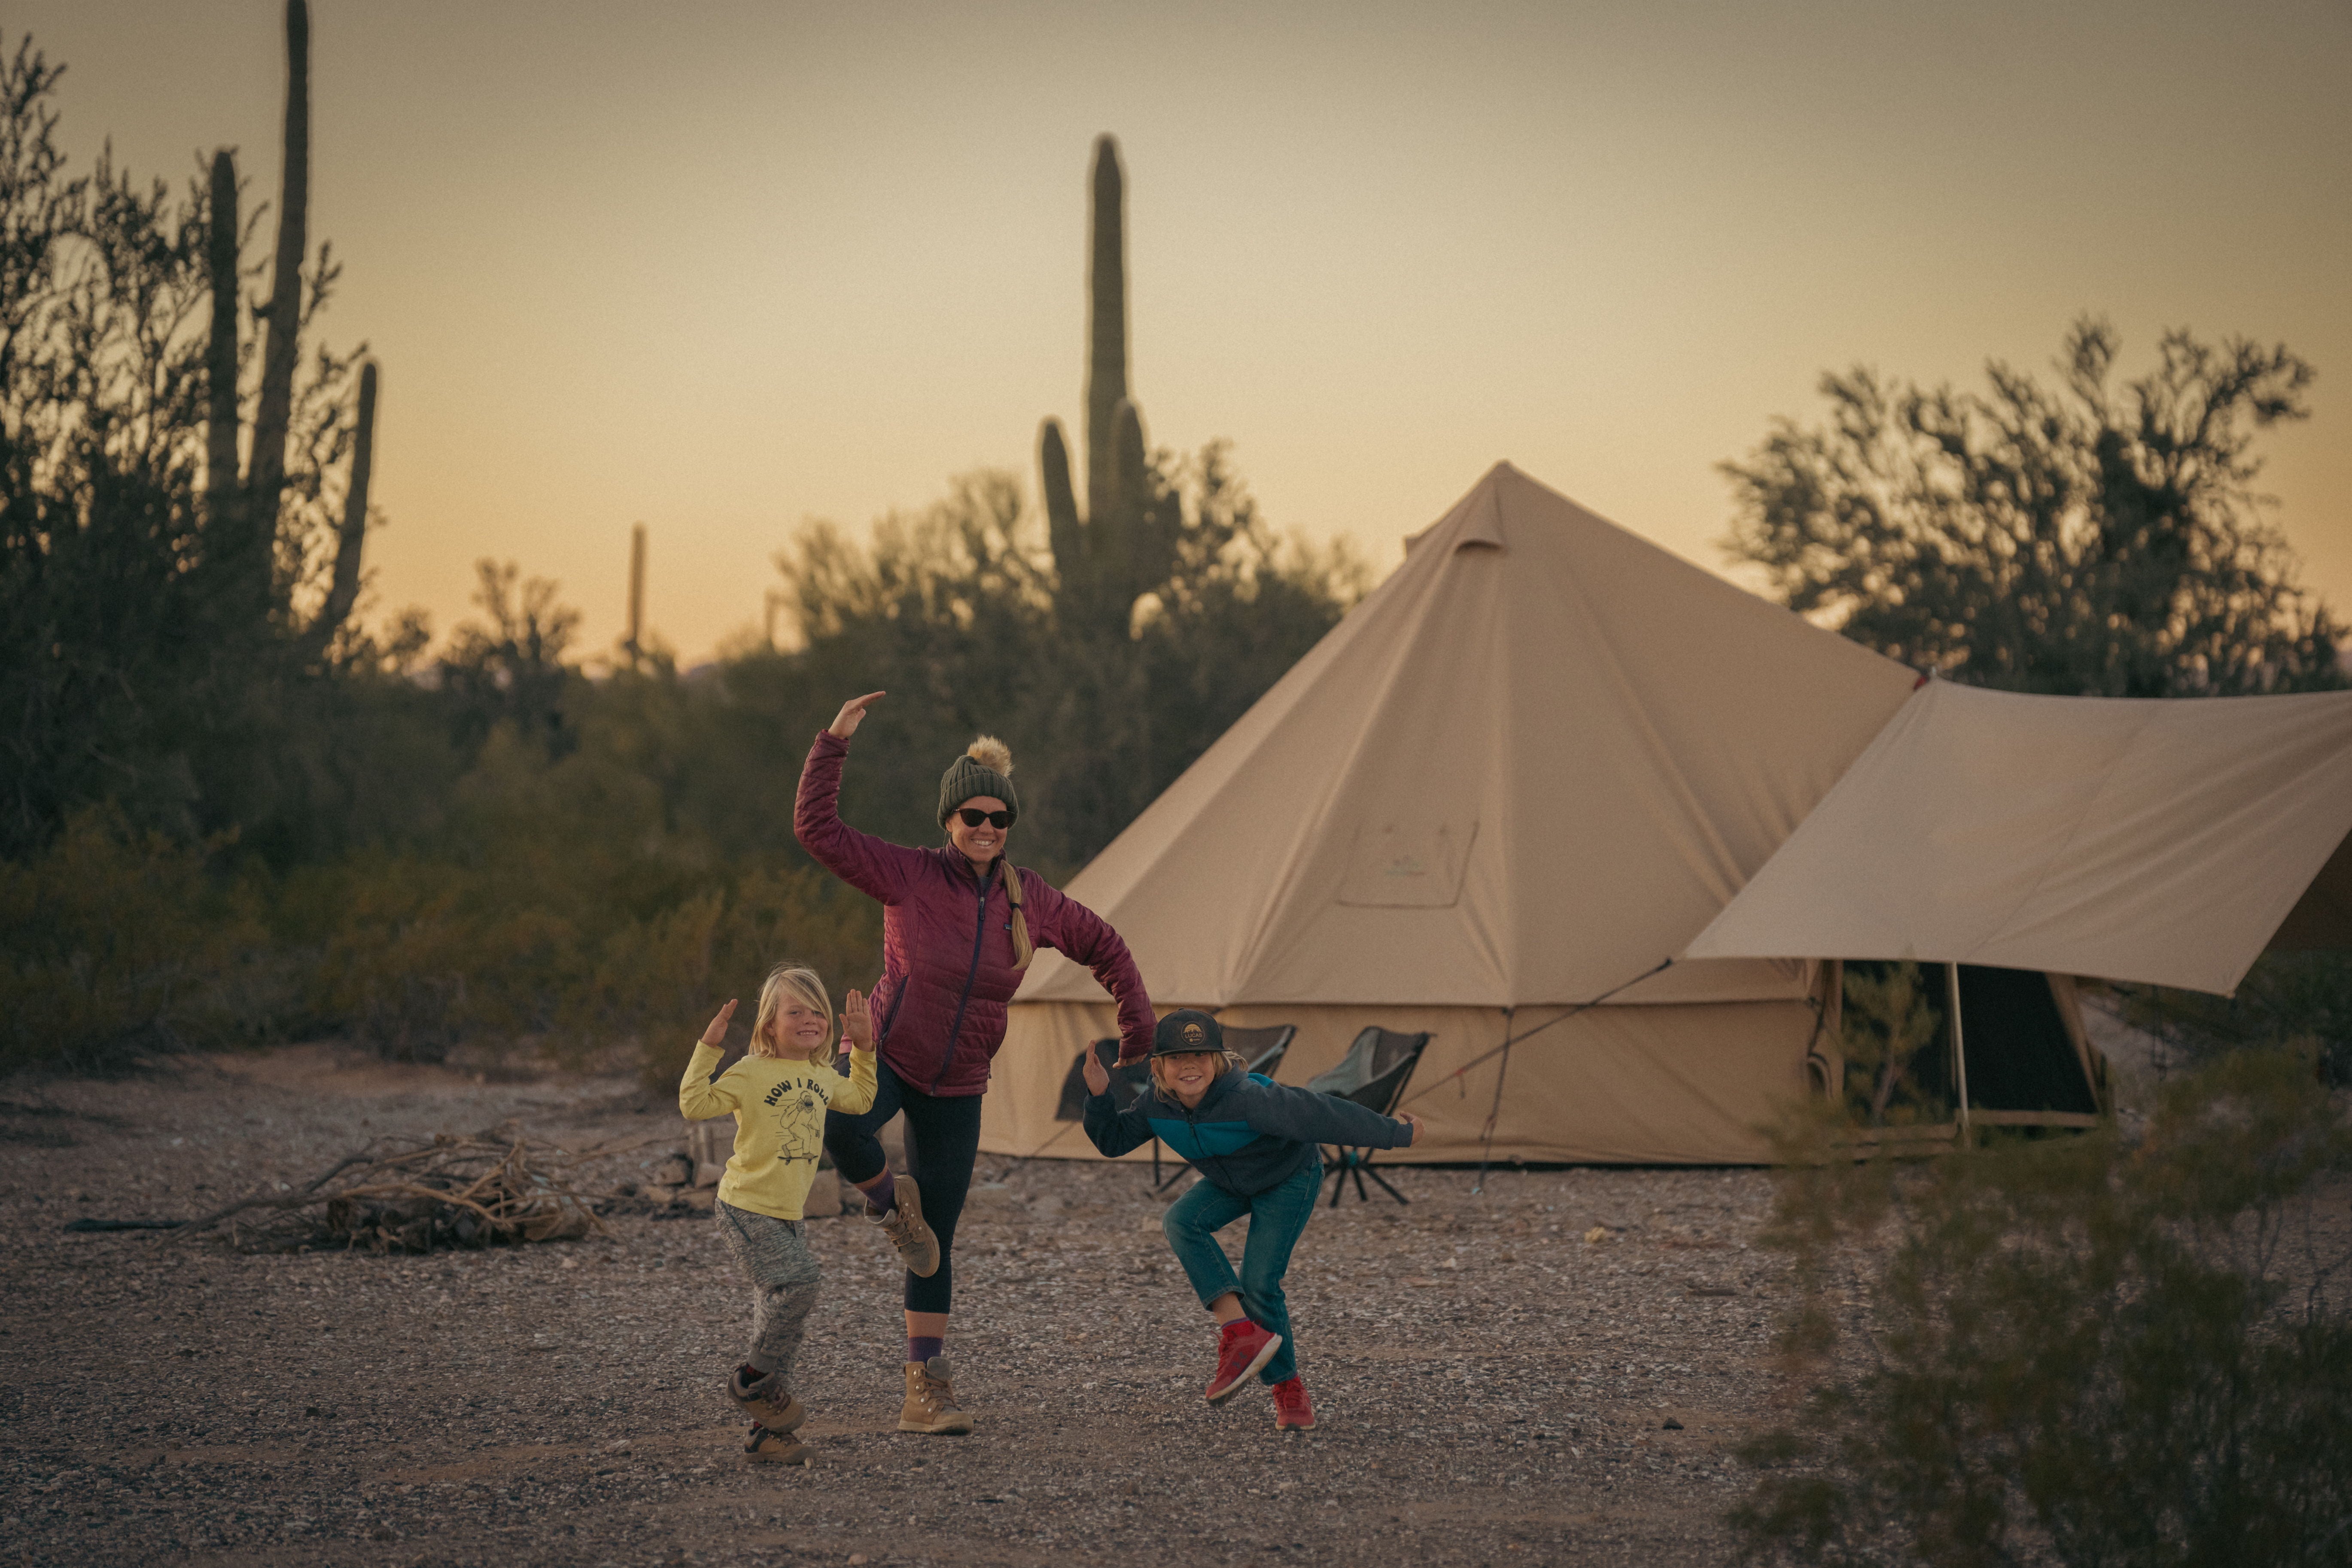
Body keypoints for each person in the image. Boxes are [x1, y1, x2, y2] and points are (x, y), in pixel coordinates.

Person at [797, 691, 1154, 1436]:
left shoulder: (1033, 903)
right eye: (973, 817)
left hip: (959, 1084)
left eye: (999, 819)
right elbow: (817, 831)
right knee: (833, 1118)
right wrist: (833, 743)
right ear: (949, 821)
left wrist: (1138, 1033)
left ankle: (923, 1389)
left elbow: (1108, 948)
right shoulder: (907, 875)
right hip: (886, 1056)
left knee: (938, 1245)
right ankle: (887, 1203)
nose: (987, 829)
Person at [1082, 1008, 1423, 1431]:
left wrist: (1395, 1133)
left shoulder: (1250, 1100)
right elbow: (1113, 1141)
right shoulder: (1156, 1105)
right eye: (1176, 1059)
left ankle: (1288, 1387)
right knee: (1180, 1221)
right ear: (1159, 1068)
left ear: (1218, 1061)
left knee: (1260, 1282)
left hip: (1288, 1179)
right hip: (1231, 1178)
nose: (1189, 1067)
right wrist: (1099, 1097)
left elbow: (1323, 1114)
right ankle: (1239, 1332)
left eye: (1200, 1057)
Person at [679, 965, 877, 1466]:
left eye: (817, 1012)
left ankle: (764, 1434)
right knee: (802, 1284)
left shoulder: (820, 1074)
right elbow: (693, 1105)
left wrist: (865, 1048)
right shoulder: (749, 1070)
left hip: (789, 1214)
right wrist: (709, 1047)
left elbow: (860, 1099)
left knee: (782, 1322)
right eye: (795, 1012)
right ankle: (749, 1382)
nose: (809, 1020)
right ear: (770, 1024)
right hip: (745, 1206)